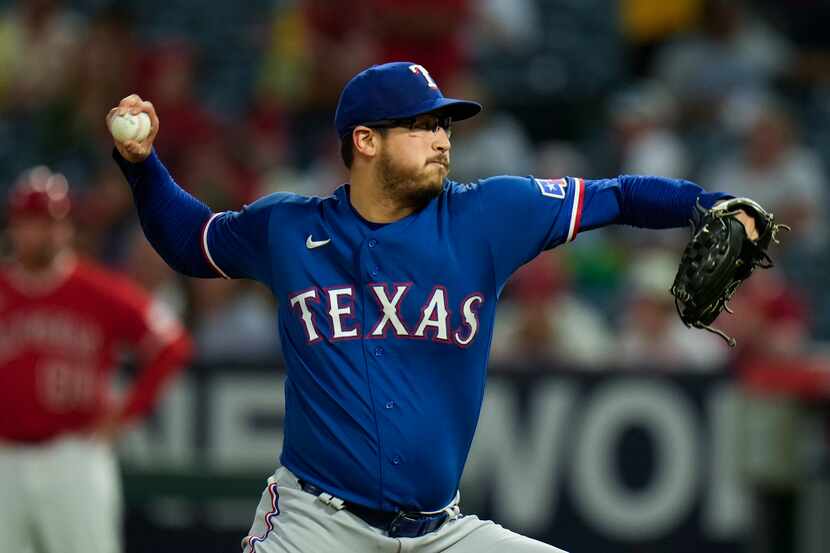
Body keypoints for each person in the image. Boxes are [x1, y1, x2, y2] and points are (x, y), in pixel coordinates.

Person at [107, 61, 760, 552]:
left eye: (444, 123)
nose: (442, 138)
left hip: (441, 534)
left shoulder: (488, 214)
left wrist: (715, 203)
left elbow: (620, 194)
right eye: (422, 125)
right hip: (314, 526)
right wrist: (143, 167)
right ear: (365, 141)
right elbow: (190, 241)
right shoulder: (288, 228)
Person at [0, 166, 192, 553]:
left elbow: (172, 344)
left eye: (52, 222)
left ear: (67, 227)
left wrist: (126, 413)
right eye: (33, 222)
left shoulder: (99, 290)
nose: (44, 233)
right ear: (15, 227)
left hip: (74, 455)